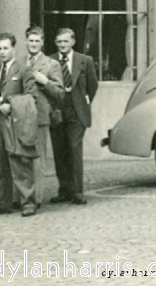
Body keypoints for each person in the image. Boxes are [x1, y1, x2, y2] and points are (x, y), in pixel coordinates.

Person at [0, 33, 39, 217]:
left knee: (20, 160)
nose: (2, 52)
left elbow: (32, 96)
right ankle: (1, 203)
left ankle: (28, 202)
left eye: (6, 48)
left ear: (14, 49)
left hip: (14, 120)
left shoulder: (23, 69)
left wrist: (11, 104)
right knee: (0, 164)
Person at [49, 28, 98, 205]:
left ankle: (77, 191)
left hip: (76, 109)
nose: (62, 45)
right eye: (59, 42)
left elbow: (93, 86)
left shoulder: (85, 61)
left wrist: (81, 103)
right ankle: (64, 190)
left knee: (74, 147)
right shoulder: (50, 61)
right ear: (56, 43)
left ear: (73, 42)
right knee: (59, 149)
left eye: (66, 41)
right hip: (57, 108)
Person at [24, 26, 64, 207]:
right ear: (26, 42)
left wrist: (45, 81)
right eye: (30, 41)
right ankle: (23, 197)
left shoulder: (51, 64)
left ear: (42, 43)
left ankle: (36, 199)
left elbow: (60, 93)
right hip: (21, 117)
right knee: (22, 159)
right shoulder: (19, 62)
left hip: (40, 117)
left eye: (37, 41)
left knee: (38, 159)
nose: (33, 44)